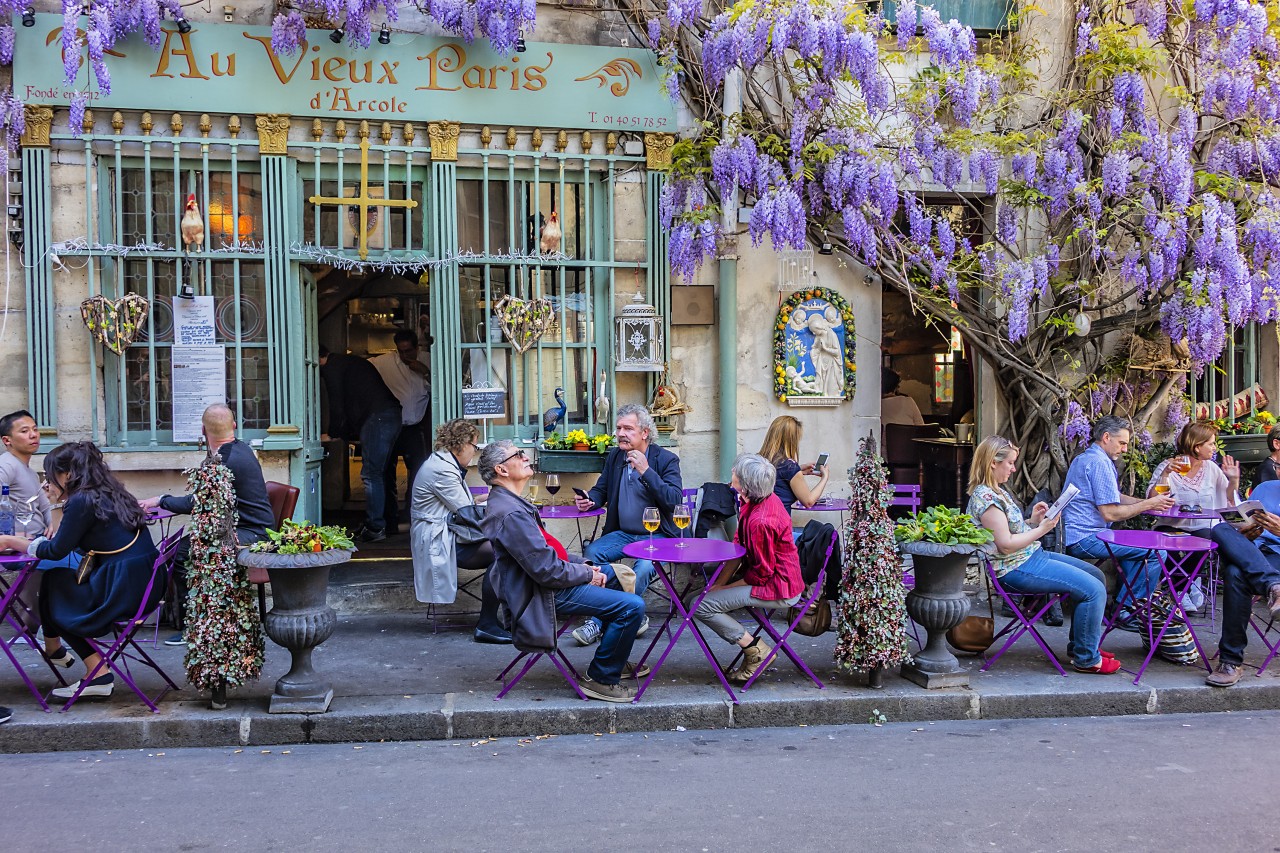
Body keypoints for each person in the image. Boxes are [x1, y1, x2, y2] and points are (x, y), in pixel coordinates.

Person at [479, 440, 647, 703]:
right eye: (519, 454)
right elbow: (547, 571)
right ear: (501, 469)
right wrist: (587, 574)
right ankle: (602, 677)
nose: (525, 458)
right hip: (540, 594)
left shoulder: (511, 504)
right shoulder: (510, 513)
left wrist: (584, 566)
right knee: (632, 606)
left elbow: (549, 556)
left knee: (616, 574)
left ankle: (612, 654)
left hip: (543, 584)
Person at [0, 441, 159, 700]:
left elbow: (55, 551)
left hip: (122, 589)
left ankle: (91, 669)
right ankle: (57, 648)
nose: (47, 481)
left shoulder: (81, 500)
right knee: (55, 580)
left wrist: (10, 541)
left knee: (56, 588)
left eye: (51, 475)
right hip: (142, 584)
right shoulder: (109, 491)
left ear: (68, 475)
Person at [967, 436, 1120, 673]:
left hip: (1028, 557)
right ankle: (1087, 659)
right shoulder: (987, 499)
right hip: (1014, 568)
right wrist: (1041, 530)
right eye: (1010, 463)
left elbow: (1008, 531)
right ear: (992, 464)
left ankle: (1081, 645)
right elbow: (1006, 545)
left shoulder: (997, 491)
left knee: (1095, 575)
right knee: (1093, 590)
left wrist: (1032, 521)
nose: (1014, 468)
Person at [140, 403, 275, 645]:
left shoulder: (225, 461)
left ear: (203, 431)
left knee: (180, 553)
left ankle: (195, 625)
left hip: (249, 536)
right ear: (234, 425)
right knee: (175, 546)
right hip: (245, 529)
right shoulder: (239, 449)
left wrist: (160, 500)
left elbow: (198, 502)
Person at [572, 404, 683, 645]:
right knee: (592, 552)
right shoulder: (615, 456)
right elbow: (602, 489)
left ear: (644, 432)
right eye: (619, 428)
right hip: (623, 534)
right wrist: (590, 500)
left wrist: (646, 471)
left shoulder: (666, 460)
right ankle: (612, 615)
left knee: (642, 569)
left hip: (658, 536)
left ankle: (603, 620)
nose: (621, 433)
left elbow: (674, 501)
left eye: (628, 428)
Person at [691, 454, 806, 683]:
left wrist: (726, 587)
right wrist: (719, 585)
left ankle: (756, 650)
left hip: (778, 587)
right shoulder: (757, 500)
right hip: (773, 580)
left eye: (735, 472)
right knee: (695, 599)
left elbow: (761, 574)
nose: (731, 473)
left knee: (699, 605)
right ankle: (754, 649)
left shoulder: (760, 521)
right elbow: (738, 548)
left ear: (744, 485)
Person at [1062, 415, 1174, 622]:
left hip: (1076, 534)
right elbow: (1110, 512)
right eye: (1122, 443)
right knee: (1156, 553)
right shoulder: (1099, 463)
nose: (1124, 449)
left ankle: (1124, 604)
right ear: (1106, 437)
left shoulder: (1086, 457)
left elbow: (1114, 497)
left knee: (1138, 549)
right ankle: (1128, 611)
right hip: (1085, 538)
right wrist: (1148, 504)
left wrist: (1148, 504)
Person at [410, 418, 509, 644]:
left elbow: (463, 505)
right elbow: (468, 513)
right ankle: (487, 624)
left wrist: (488, 498)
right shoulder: (442, 470)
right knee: (503, 552)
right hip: (439, 537)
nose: (474, 453)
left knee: (503, 549)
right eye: (474, 447)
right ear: (462, 444)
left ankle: (494, 621)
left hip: (448, 531)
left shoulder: (444, 464)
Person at [0, 409, 81, 667]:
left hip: (38, 544)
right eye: (24, 431)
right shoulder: (6, 466)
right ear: (7, 440)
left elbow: (44, 506)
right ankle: (63, 634)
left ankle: (47, 636)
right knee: (80, 566)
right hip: (22, 551)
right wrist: (9, 536)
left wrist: (51, 525)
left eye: (34, 429)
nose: (33, 434)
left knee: (72, 566)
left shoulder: (28, 469)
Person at [319, 344, 402, 542]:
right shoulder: (350, 362)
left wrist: (332, 433)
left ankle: (375, 527)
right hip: (391, 415)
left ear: (318, 357)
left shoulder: (332, 367)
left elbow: (336, 404)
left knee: (371, 473)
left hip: (378, 419)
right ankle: (389, 523)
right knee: (384, 472)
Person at [372, 330, 432, 535]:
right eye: (401, 351)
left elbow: (444, 387)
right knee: (385, 473)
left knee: (418, 474)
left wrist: (424, 371)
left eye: (408, 351)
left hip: (415, 428)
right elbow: (362, 369)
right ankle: (390, 522)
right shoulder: (384, 362)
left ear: (417, 347)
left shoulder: (429, 360)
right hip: (389, 428)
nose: (405, 355)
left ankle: (414, 518)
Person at [758, 415, 829, 515]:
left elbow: (776, 478)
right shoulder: (789, 467)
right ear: (791, 440)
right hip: (777, 524)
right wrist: (825, 477)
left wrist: (799, 470)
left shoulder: (758, 460)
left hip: (756, 523)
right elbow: (808, 501)